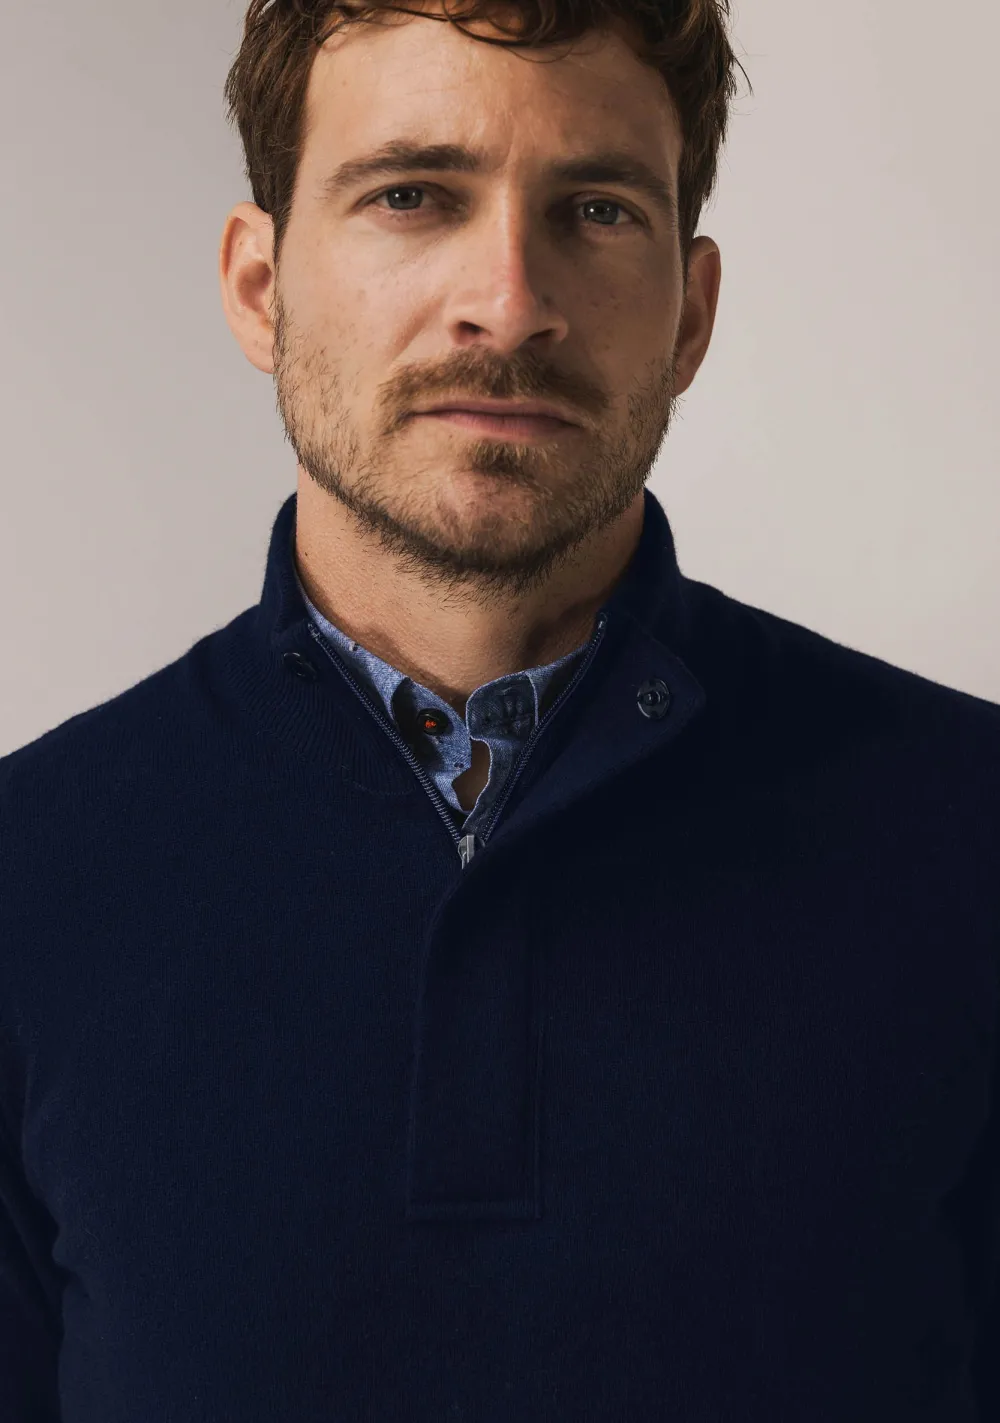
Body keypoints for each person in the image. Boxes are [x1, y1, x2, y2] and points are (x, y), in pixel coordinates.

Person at [2, 0, 998, 1418]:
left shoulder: (969, 831)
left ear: (691, 313)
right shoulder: (28, 876)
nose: (511, 300)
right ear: (259, 288)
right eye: (414, 195)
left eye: (596, 210)